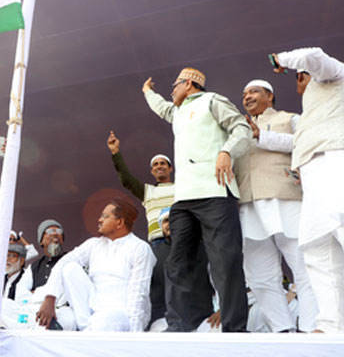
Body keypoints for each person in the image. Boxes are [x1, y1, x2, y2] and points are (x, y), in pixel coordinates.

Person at [142, 68, 251, 332]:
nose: (172, 90)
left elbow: (241, 128)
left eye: (175, 85)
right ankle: (178, 326)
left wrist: (227, 151)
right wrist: (147, 92)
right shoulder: (177, 111)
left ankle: (234, 329)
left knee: (224, 262)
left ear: (189, 83)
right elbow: (162, 108)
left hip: (214, 192)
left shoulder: (212, 100)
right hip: (183, 199)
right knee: (177, 262)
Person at [234, 78, 317, 332]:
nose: (247, 97)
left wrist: (262, 136)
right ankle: (282, 329)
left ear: (270, 96)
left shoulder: (290, 118)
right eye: (244, 93)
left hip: (284, 198)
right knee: (259, 274)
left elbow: (307, 141)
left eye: (254, 92)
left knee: (304, 267)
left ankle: (311, 328)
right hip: (249, 204)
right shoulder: (237, 127)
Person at [106, 132, 214, 328]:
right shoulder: (147, 191)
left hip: (184, 242)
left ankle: (196, 322)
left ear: (171, 168)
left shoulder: (183, 188)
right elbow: (127, 180)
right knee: (160, 288)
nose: (159, 166)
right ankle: (161, 325)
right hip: (158, 245)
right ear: (152, 171)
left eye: (163, 163)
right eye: (155, 165)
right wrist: (116, 153)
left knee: (190, 284)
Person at [270, 47, 344, 333]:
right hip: (315, 169)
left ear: (303, 75)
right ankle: (332, 324)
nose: (297, 83)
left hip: (336, 158)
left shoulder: (332, 73)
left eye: (298, 76)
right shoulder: (313, 106)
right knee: (317, 245)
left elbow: (314, 54)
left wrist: (281, 60)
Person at [36, 197, 155, 332]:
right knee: (69, 268)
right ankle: (85, 327)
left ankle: (86, 332)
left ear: (120, 222)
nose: (99, 220)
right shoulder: (94, 244)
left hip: (122, 314)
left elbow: (139, 295)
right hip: (92, 312)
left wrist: (134, 334)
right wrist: (50, 298)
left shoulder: (140, 248)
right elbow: (63, 263)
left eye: (105, 216)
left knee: (104, 320)